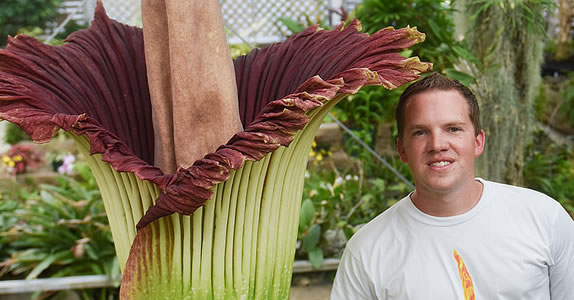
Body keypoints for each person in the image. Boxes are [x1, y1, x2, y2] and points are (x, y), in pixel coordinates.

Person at [330, 73, 574, 299]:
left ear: (478, 142)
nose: (437, 144)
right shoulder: (367, 251)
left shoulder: (544, 219)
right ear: (402, 149)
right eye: (420, 132)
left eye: (453, 129)